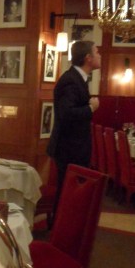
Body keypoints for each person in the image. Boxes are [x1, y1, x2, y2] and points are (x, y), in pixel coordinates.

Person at [47, 39, 101, 214]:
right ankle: (59, 227)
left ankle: (63, 226)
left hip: (74, 148)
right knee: (66, 193)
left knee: (70, 193)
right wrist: (91, 108)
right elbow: (66, 114)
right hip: (69, 149)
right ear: (88, 58)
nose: (100, 55)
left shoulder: (78, 79)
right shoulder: (71, 80)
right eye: (97, 52)